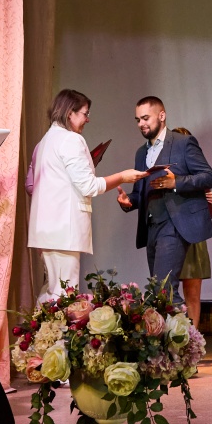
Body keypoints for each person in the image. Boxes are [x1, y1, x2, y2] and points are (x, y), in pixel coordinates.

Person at [28, 90, 146, 302]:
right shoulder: (71, 140)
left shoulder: (45, 141)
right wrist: (122, 177)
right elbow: (89, 186)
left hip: (47, 230)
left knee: (52, 292)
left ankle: (40, 325)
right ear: (69, 113)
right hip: (64, 230)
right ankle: (53, 326)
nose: (87, 119)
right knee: (64, 294)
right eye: (85, 113)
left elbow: (33, 185)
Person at [117, 97, 212, 302]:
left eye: (145, 118)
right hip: (151, 228)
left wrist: (176, 182)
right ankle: (174, 323)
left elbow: (208, 176)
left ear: (162, 116)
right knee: (158, 291)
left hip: (175, 224)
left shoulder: (183, 143)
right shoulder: (141, 152)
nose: (141, 124)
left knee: (164, 289)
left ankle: (182, 324)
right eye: (138, 120)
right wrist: (129, 202)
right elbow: (140, 192)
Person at [170, 127, 212, 328]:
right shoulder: (164, 174)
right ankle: (171, 338)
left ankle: (193, 339)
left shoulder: (200, 175)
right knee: (167, 292)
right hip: (169, 236)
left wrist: (208, 202)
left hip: (194, 237)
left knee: (193, 293)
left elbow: (208, 213)